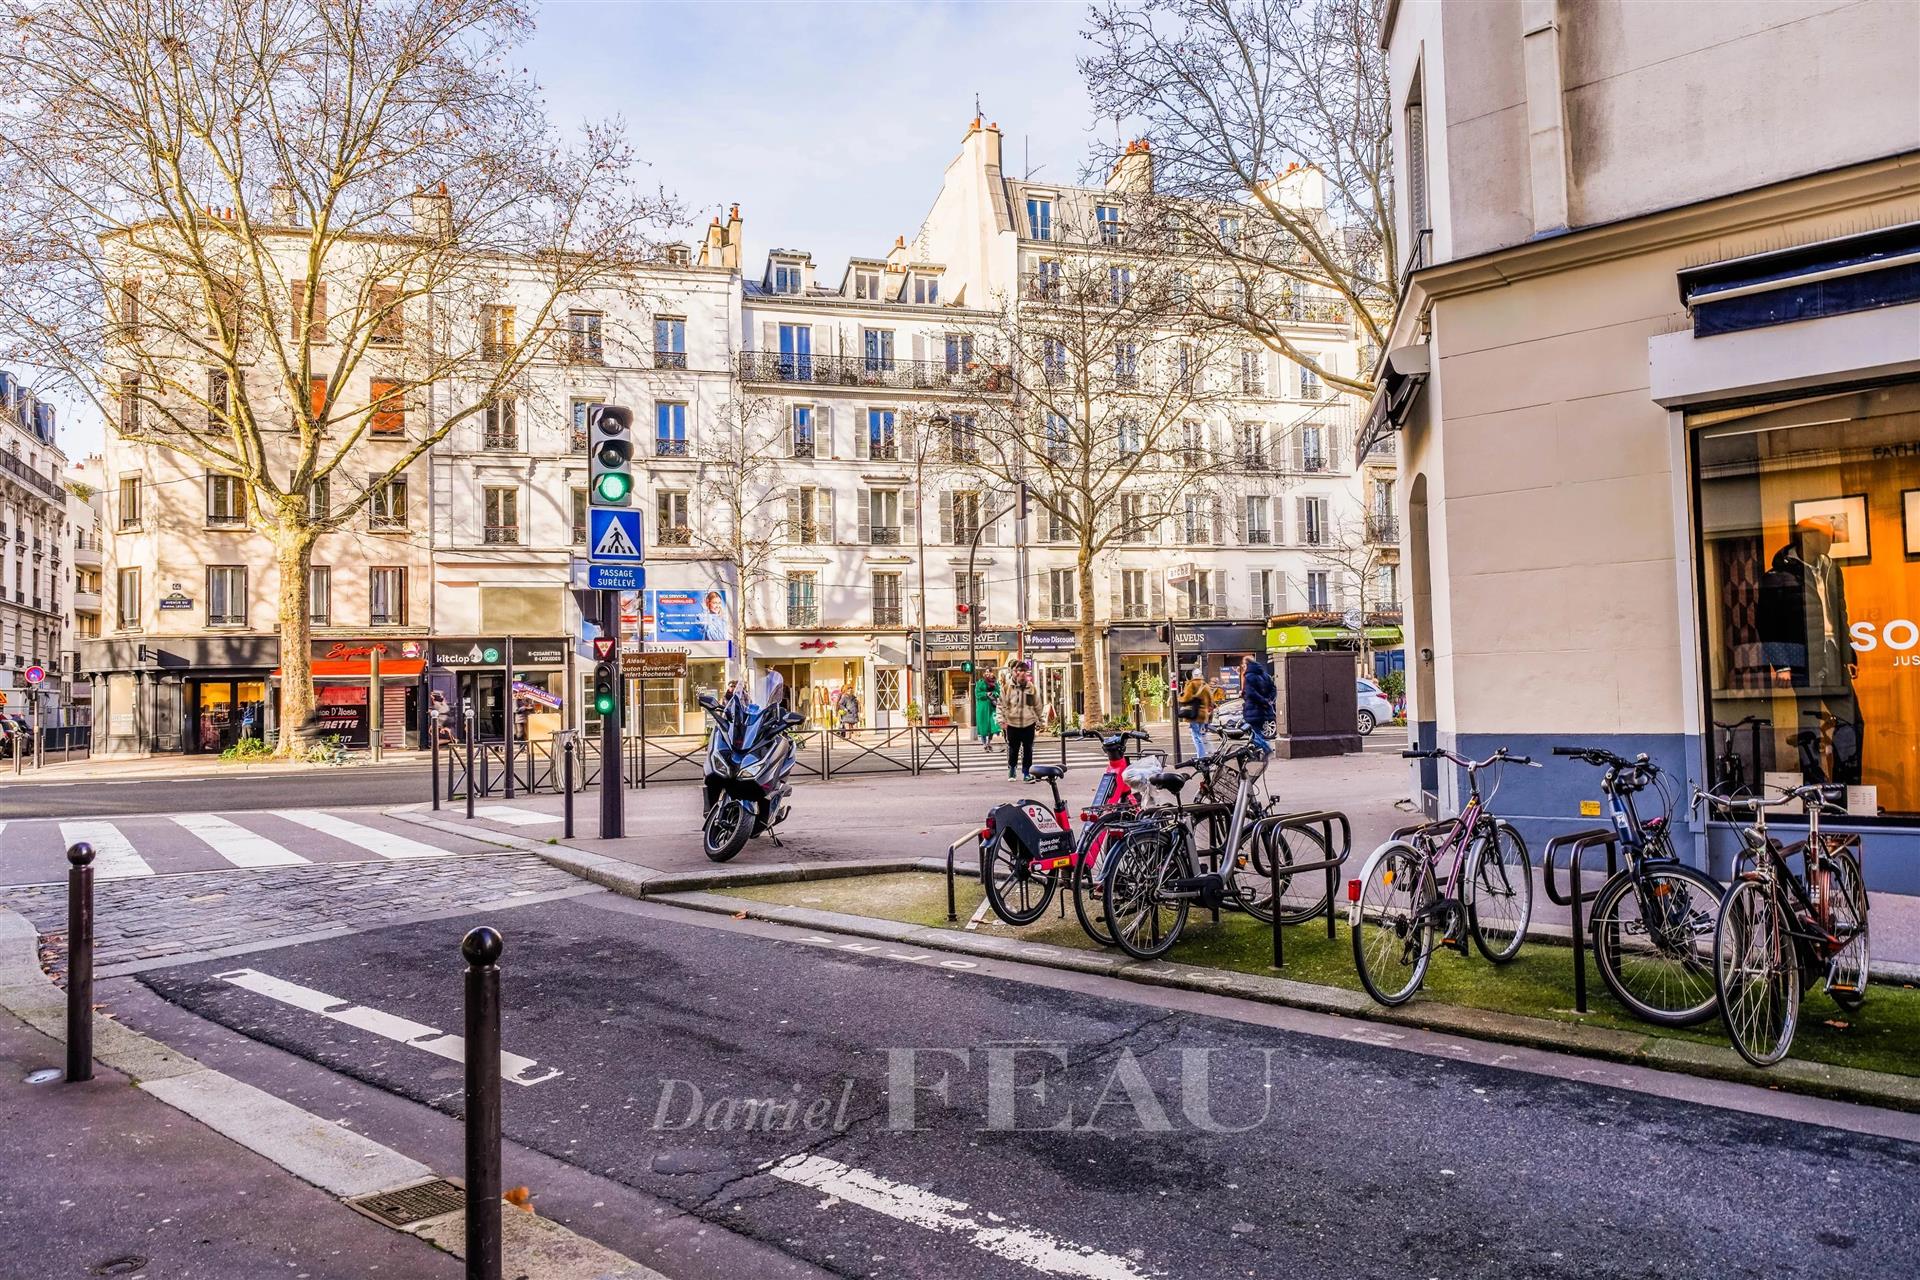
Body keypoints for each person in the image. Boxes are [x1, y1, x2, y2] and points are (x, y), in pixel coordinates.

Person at [998, 663, 1041, 781]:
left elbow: (1037, 704)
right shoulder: (1007, 688)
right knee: (1013, 748)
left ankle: (1026, 772)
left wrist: (1040, 720)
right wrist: (1001, 720)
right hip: (1012, 723)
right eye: (1019, 672)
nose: (1022, 675)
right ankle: (1012, 768)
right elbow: (1001, 705)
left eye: (1024, 672)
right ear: (1015, 673)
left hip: (1029, 723)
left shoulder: (1031, 688)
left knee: (1028, 749)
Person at [1239, 653, 1276, 755]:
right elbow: (1273, 689)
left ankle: (1266, 748)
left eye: (1243, 665)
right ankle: (1257, 754)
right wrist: (1269, 700)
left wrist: (1263, 701)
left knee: (1254, 734)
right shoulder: (1265, 675)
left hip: (1253, 709)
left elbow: (1251, 693)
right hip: (1264, 710)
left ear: (1247, 664)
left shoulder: (1249, 676)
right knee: (1258, 732)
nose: (1243, 667)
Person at [1177, 667, 1216, 759]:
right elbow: (1211, 700)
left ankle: (1201, 756)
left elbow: (1186, 698)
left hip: (1193, 714)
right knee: (1201, 735)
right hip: (1203, 715)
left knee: (1196, 736)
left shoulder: (1191, 684)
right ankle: (1205, 753)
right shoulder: (1205, 685)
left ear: (1193, 676)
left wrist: (1180, 697)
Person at [973, 671, 1000, 748]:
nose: (988, 674)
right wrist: (985, 694)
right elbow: (977, 694)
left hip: (992, 706)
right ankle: (984, 744)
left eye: (990, 672)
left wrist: (993, 694)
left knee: (992, 725)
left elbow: (998, 692)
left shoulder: (995, 683)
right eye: (986, 672)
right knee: (983, 726)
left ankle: (989, 742)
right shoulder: (980, 683)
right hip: (983, 708)